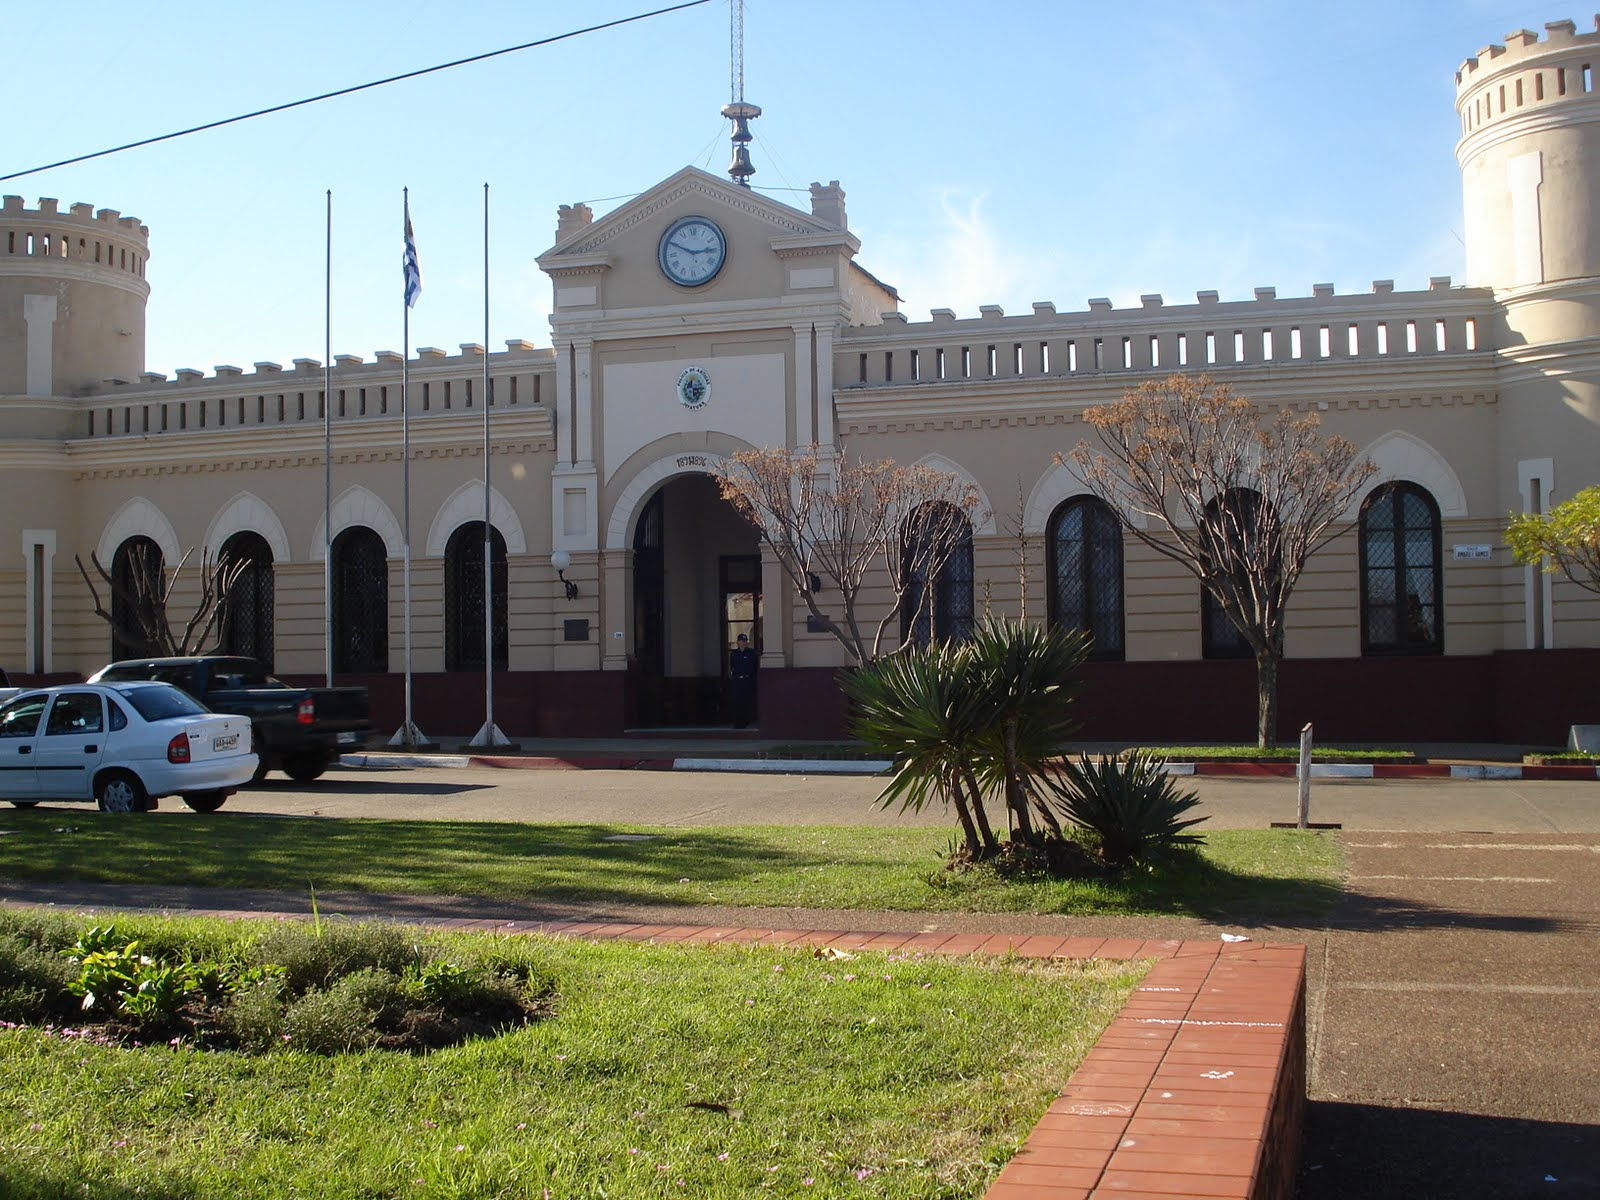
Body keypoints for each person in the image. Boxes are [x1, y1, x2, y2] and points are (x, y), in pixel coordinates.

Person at [729, 633, 758, 729]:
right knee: (737, 701)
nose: (743, 643)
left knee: (746, 701)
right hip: (738, 680)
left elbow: (754, 667)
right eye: (741, 641)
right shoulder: (734, 654)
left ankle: (746, 721)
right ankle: (737, 722)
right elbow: (732, 666)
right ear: (738, 642)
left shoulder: (751, 653)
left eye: (745, 641)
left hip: (747, 680)